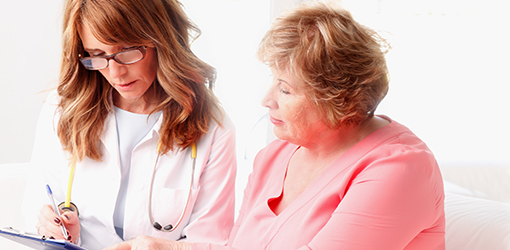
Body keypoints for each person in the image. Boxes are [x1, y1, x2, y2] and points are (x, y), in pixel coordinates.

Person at [104, 2, 445, 250]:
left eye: (285, 89)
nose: (266, 99)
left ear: (338, 99)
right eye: (273, 81)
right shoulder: (277, 154)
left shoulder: (400, 168)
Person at [21, 0, 237, 249]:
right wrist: (56, 229)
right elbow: (38, 209)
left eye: (125, 52)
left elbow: (210, 242)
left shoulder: (214, 130)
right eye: (97, 56)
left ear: (162, 39)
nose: (115, 73)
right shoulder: (61, 110)